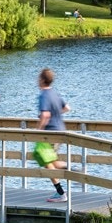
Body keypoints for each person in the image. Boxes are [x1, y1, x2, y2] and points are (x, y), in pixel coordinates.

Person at [33, 67, 71, 200]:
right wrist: (55, 114)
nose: (37, 81)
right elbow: (66, 108)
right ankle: (74, 169)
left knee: (45, 159)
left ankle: (61, 193)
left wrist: (38, 130)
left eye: (39, 78)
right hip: (60, 129)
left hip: (50, 132)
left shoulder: (43, 95)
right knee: (51, 160)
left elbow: (45, 114)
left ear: (43, 80)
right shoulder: (54, 93)